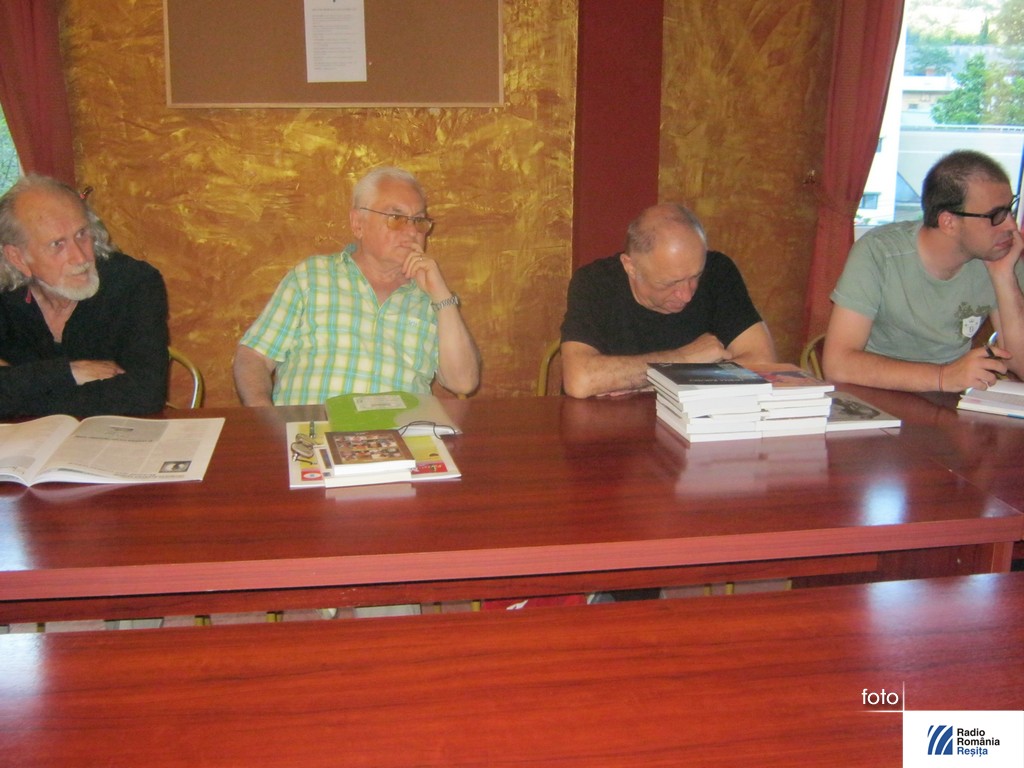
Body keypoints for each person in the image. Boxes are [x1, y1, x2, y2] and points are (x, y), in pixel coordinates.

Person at [234, 166, 480, 405]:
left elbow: (464, 383)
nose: (411, 231)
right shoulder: (311, 277)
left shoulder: (431, 299)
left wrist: (441, 296)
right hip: (315, 429)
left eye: (418, 220)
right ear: (358, 224)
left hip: (400, 430)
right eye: (396, 218)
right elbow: (253, 357)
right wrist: (264, 418)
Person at [823, 149, 1024, 393]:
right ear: (949, 222)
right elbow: (837, 364)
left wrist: (1004, 277)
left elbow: (1020, 364)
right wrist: (943, 377)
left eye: (1010, 209)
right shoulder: (879, 252)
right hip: (876, 393)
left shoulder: (998, 257)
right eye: (996, 215)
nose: (1011, 225)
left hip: (948, 397)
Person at [560, 202, 776, 398]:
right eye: (670, 283)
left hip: (693, 424)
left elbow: (763, 363)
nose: (687, 295)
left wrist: (659, 381)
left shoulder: (718, 271)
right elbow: (580, 381)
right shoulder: (595, 282)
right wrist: (684, 358)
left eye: (696, 276)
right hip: (610, 425)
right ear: (630, 266)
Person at [0, 174, 169, 419]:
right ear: (17, 258)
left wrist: (20, 388)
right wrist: (68, 372)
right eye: (57, 244)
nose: (80, 257)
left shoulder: (134, 283)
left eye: (82, 234)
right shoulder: (5, 294)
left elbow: (145, 395)